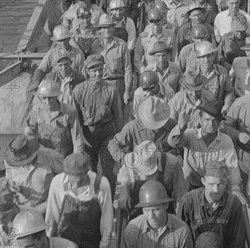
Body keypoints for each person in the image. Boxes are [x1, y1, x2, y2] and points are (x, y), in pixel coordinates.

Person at [45, 153, 113, 248]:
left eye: (80, 180)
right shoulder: (57, 183)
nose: (75, 185)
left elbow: (106, 222)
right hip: (65, 245)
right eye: (72, 181)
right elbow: (51, 218)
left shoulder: (101, 184)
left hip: (92, 246)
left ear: (86, 172)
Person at [168, 100, 245, 202]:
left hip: (215, 187)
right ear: (200, 120)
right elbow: (173, 143)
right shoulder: (191, 135)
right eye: (207, 120)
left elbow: (232, 168)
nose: (211, 124)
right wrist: (181, 127)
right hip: (190, 186)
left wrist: (235, 188)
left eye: (215, 120)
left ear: (219, 122)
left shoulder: (226, 141)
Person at [121, 180, 193, 248]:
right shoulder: (133, 230)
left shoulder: (182, 231)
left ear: (166, 206)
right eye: (147, 210)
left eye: (156, 209)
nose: (151, 215)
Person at [177, 161, 247, 248]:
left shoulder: (233, 204)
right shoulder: (188, 202)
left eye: (220, 184)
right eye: (211, 184)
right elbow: (179, 239)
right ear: (203, 181)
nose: (215, 190)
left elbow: (238, 244)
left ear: (226, 182)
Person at [72, 54, 123, 188]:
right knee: (89, 172)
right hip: (87, 136)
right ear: (87, 72)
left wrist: (120, 140)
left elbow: (118, 117)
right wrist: (78, 142)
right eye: (94, 70)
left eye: (100, 69)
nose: (98, 73)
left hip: (107, 134)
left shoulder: (112, 90)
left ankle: (109, 203)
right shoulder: (78, 91)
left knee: (109, 173)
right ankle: (93, 203)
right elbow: (75, 120)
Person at [117, 140, 184, 217]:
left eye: (149, 174)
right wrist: (124, 188)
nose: (145, 176)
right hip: (141, 210)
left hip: (163, 210)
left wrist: (178, 221)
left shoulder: (172, 164)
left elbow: (180, 196)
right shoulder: (131, 160)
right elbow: (122, 176)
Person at [26, 78, 84, 159]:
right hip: (43, 156)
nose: (48, 101)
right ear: (40, 98)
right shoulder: (36, 111)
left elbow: (77, 138)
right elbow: (29, 133)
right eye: (44, 98)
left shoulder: (69, 111)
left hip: (65, 156)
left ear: (56, 96)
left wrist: (75, 161)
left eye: (51, 98)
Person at [108, 95, 176, 162]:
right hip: (140, 169)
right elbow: (113, 144)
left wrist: (171, 154)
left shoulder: (172, 125)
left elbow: (180, 147)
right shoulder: (133, 126)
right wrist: (123, 159)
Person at [4, 135, 59, 214]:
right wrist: (12, 186)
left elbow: (64, 178)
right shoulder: (10, 162)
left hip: (44, 208)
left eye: (24, 163)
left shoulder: (50, 157)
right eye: (18, 164)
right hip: (18, 208)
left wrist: (46, 205)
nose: (21, 166)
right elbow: (8, 178)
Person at [27, 25, 85, 98]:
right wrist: (36, 81)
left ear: (69, 38)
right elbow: (41, 69)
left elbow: (83, 74)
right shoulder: (52, 53)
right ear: (55, 41)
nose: (63, 43)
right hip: (56, 84)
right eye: (60, 41)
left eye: (65, 39)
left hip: (73, 83)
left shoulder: (79, 54)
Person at [90, 14, 133, 107]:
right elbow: (91, 68)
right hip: (100, 85)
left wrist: (127, 91)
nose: (107, 30)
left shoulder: (122, 45)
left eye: (109, 27)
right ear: (100, 30)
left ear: (113, 28)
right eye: (104, 27)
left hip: (117, 85)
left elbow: (128, 69)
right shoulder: (95, 45)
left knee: (119, 117)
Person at [194, 40, 234, 115]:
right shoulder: (191, 75)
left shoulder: (222, 71)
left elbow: (229, 91)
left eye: (209, 56)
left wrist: (226, 106)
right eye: (203, 57)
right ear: (198, 59)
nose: (206, 60)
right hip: (198, 113)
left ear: (213, 56)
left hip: (218, 112)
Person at [134, 8, 177, 72]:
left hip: (166, 71)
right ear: (148, 22)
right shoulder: (143, 37)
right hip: (150, 72)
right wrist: (143, 70)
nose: (156, 26)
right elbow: (137, 59)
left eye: (158, 22)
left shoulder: (170, 35)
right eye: (152, 23)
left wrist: (173, 70)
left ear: (162, 21)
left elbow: (175, 56)